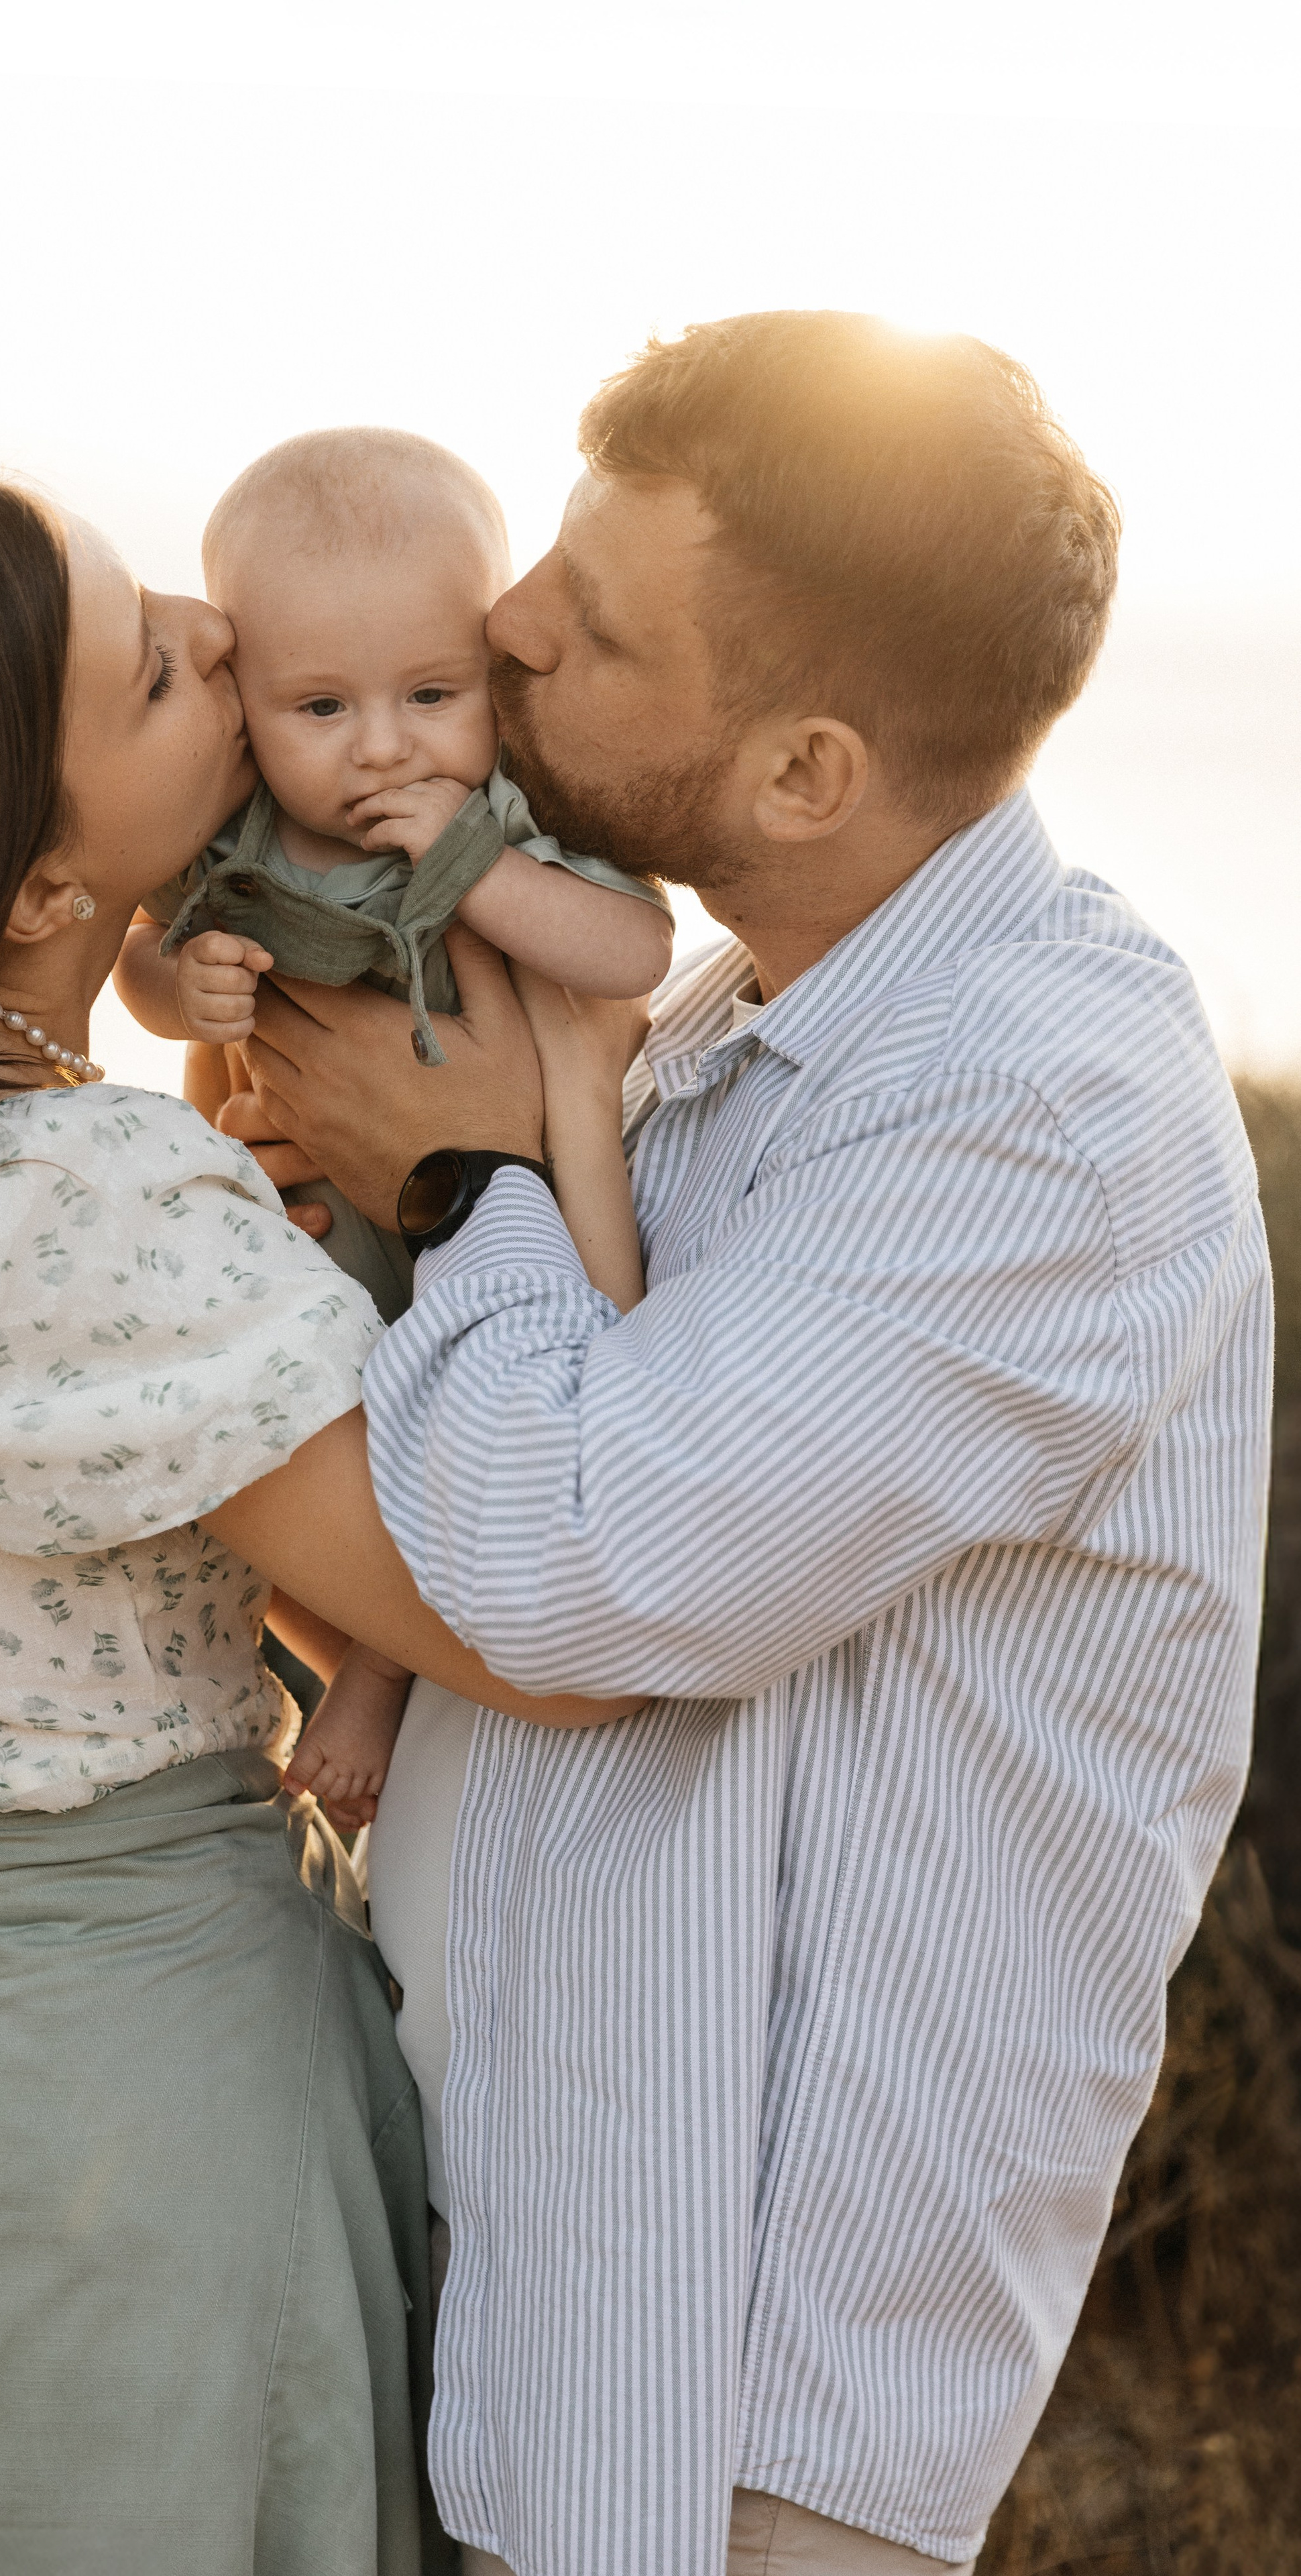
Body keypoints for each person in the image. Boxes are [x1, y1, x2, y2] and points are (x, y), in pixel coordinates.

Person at [228, 315, 1274, 2575]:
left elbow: (572, 1563)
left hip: (741, 2396)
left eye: (590, 627)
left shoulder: (1043, 1112)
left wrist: (459, 1179)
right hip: (555, 2296)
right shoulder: (736, 1025)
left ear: (803, 772)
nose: (500, 623)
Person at [0, 467, 636, 2576]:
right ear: (26, 889)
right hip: (120, 2097)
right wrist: (488, 1168)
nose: (214, 627)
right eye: (154, 663)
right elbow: (535, 1615)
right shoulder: (81, 1202)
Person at [115, 427, 665, 1827]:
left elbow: (628, 950)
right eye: (319, 708)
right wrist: (183, 987)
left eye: (431, 692)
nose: (380, 747)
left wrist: (476, 874)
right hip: (320, 1228)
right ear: (245, 702)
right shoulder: (232, 832)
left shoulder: (502, 815)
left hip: (503, 1201)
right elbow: (141, 959)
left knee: (514, 1407)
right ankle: (359, 1647)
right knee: (343, 1420)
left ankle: (374, 1674)